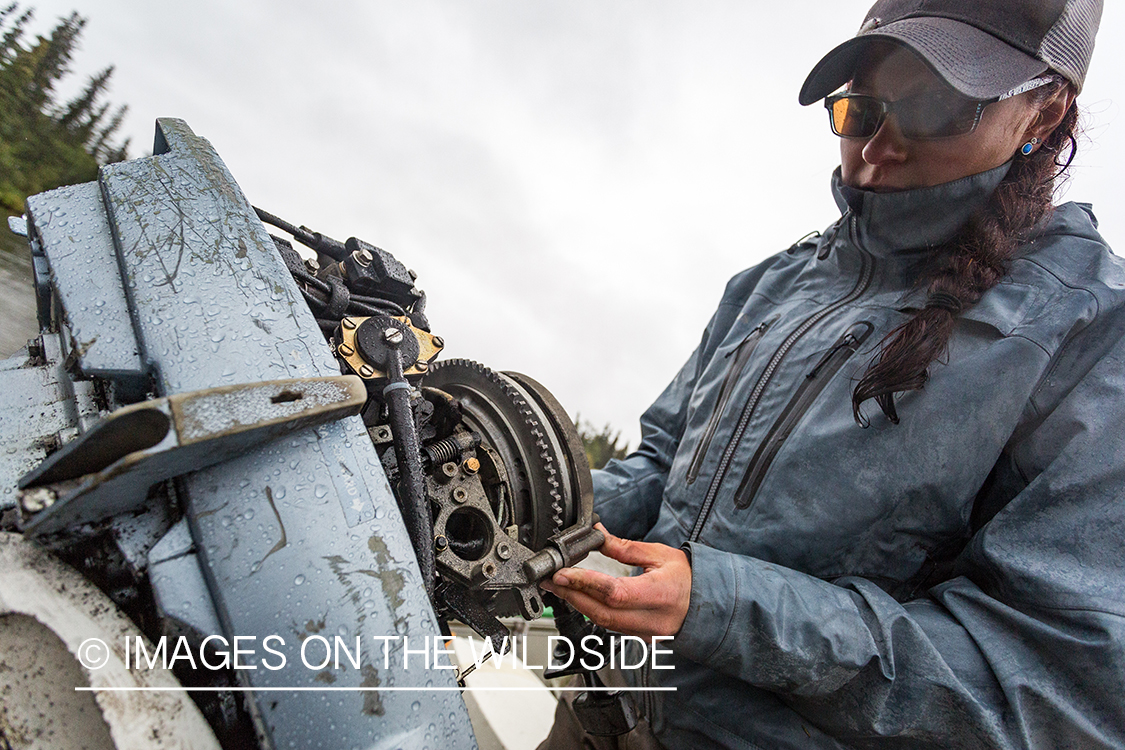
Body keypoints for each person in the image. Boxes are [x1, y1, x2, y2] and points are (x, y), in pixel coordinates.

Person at [538, 1, 1124, 748]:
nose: (877, 146)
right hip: (599, 712)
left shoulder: (1094, 332)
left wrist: (722, 607)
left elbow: (1058, 686)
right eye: (859, 110)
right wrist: (538, 502)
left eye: (936, 107)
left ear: (1045, 113)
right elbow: (661, 461)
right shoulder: (768, 285)